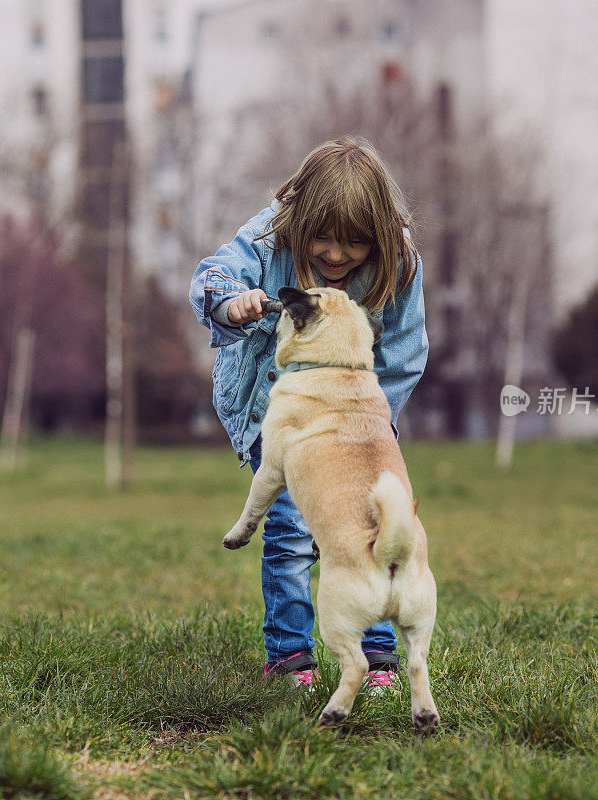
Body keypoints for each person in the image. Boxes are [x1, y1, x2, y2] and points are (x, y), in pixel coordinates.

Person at [189, 135, 428, 690]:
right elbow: (213, 275)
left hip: (358, 428)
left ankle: (380, 658)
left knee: (373, 525)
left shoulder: (400, 265)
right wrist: (233, 301)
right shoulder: (270, 232)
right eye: (321, 238)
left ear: (379, 237)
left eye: (353, 244)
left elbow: (403, 356)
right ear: (299, 221)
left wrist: (367, 428)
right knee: (293, 530)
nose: (336, 255)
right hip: (276, 411)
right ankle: (291, 657)